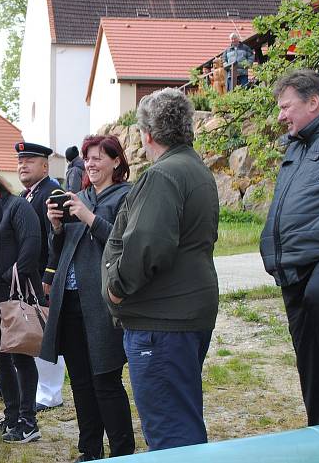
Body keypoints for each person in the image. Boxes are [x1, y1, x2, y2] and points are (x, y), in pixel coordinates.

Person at [102, 88, 219, 451]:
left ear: (146, 134)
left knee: (170, 434)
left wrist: (116, 289)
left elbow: (148, 245)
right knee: (180, 419)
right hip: (181, 313)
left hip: (160, 321)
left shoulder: (164, 175)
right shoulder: (195, 168)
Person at [41, 135, 135, 460]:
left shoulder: (126, 196)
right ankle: (89, 451)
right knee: (80, 383)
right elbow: (60, 251)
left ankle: (123, 452)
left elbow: (123, 242)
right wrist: (55, 227)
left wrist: (89, 216)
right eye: (88, 158)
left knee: (105, 381)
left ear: (116, 161)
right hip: (69, 303)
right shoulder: (77, 196)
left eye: (98, 157)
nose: (91, 163)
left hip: (101, 303)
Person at [260, 69, 319, 426]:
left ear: (313, 102)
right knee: (310, 367)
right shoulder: (295, 147)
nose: (281, 115)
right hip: (292, 270)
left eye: (286, 107)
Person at [0, 163, 42, 444]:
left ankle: (29, 421)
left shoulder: (17, 206)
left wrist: (6, 277)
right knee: (0, 359)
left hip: (15, 296)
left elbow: (31, 245)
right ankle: (12, 415)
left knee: (21, 358)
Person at [13, 141, 65, 411]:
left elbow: (57, 240)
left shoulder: (52, 192)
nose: (23, 165)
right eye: (20, 161)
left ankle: (50, 392)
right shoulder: (26, 196)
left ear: (45, 166)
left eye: (30, 161)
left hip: (43, 277)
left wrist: (50, 275)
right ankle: (28, 385)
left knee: (46, 333)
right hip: (27, 276)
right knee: (28, 330)